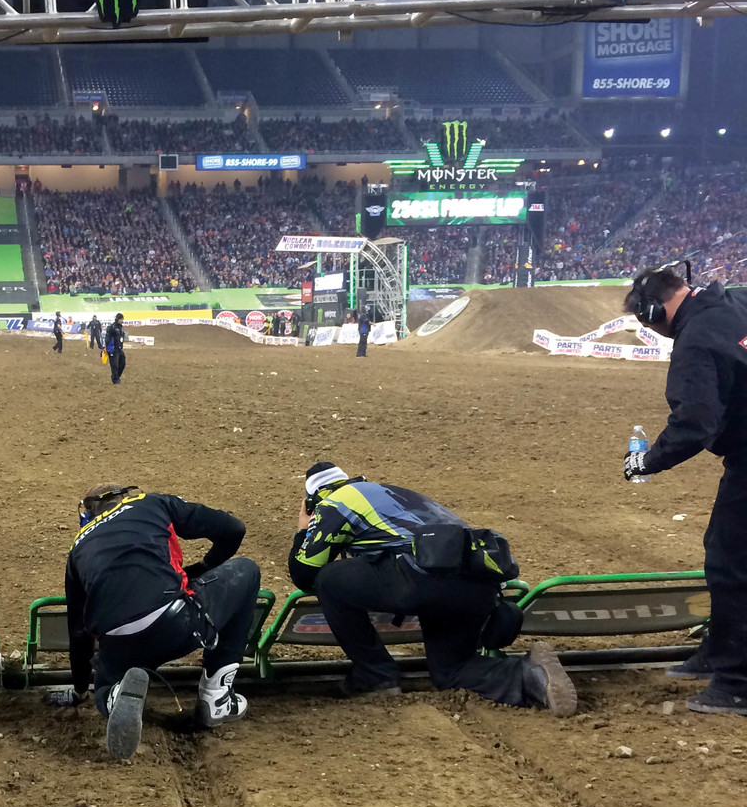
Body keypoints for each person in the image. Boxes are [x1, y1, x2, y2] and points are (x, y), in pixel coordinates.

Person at [290, 462, 576, 713]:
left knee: (329, 579)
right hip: (477, 583)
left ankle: (375, 675)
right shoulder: (391, 492)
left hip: (422, 579)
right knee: (451, 670)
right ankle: (530, 675)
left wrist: (304, 529)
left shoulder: (335, 502)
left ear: (314, 499)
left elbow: (304, 574)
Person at [50, 485, 262, 758]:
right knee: (246, 571)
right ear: (124, 497)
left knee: (104, 686)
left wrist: (80, 690)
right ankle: (216, 696)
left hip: (118, 644)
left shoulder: (78, 546)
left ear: (88, 516)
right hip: (175, 621)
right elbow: (233, 529)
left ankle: (114, 695)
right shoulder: (150, 503)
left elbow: (78, 633)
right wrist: (204, 568)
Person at [624, 266, 747, 714]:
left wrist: (645, 461)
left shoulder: (694, 340)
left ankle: (737, 682)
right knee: (724, 548)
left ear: (654, 311)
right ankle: (720, 651)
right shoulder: (735, 300)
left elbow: (695, 423)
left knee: (732, 563)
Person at [106, 312, 126, 383]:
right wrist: (107, 348)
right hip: (113, 349)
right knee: (114, 365)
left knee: (123, 363)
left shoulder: (120, 327)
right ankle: (115, 379)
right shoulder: (112, 327)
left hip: (119, 348)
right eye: (121, 319)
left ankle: (116, 376)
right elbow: (107, 338)